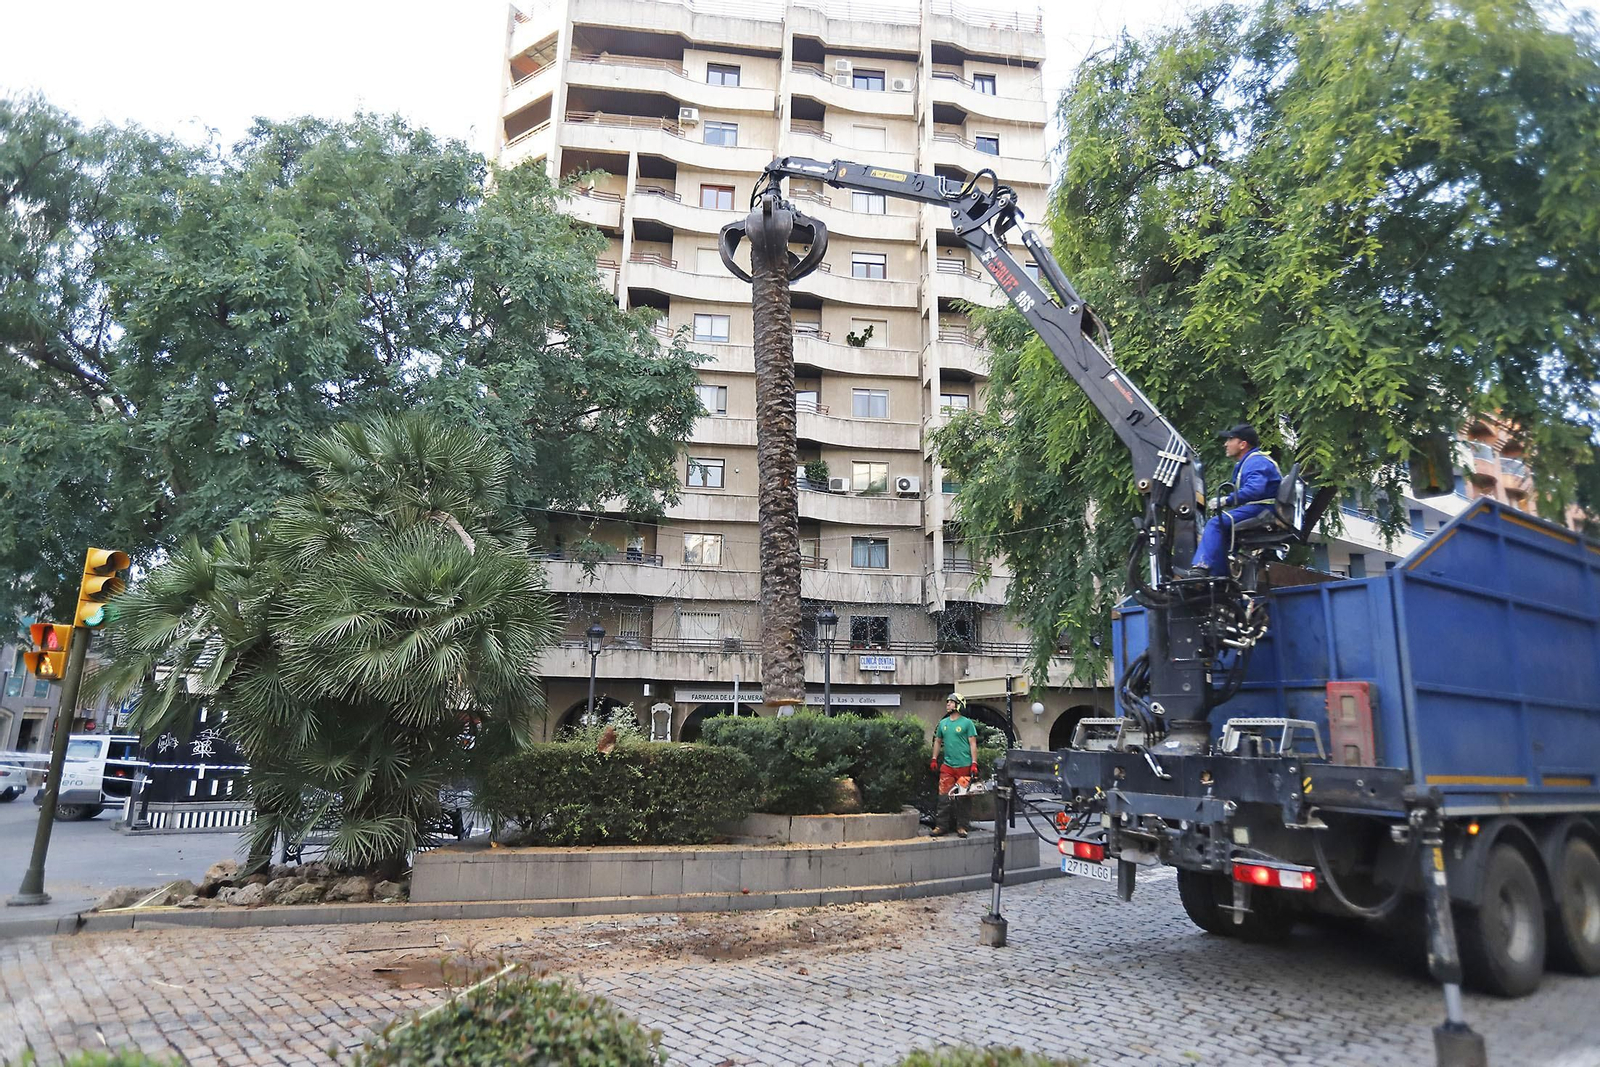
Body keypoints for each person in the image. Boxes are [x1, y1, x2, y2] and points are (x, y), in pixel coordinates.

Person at [1187, 423, 1282, 576]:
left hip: (1262, 509)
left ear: (1242, 444)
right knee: (1223, 533)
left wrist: (1227, 500)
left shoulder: (1256, 461)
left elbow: (1255, 489)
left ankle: (1201, 566)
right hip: (1261, 509)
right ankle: (1220, 576)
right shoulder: (1251, 461)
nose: (1226, 444)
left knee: (1215, 524)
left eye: (1230, 439)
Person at [929, 693, 979, 838]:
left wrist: (974, 763)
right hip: (947, 766)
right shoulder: (943, 723)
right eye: (948, 702)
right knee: (943, 798)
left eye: (951, 702)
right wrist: (934, 758)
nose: (948, 704)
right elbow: (938, 741)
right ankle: (941, 826)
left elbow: (972, 743)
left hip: (964, 766)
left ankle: (962, 827)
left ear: (959, 705)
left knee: (964, 799)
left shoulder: (967, 723)